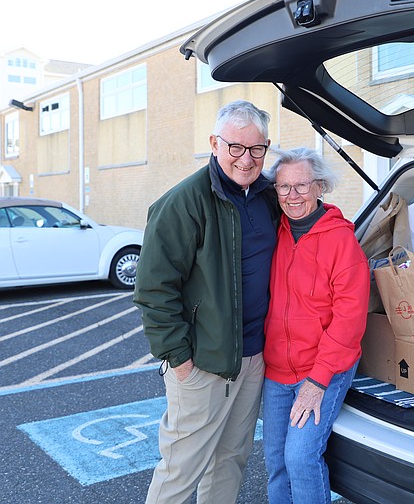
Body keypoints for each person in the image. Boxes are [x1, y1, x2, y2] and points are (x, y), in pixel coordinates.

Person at [133, 100, 279, 504]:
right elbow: (153, 289)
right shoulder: (183, 203)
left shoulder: (267, 196)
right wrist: (178, 358)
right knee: (182, 467)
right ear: (215, 143)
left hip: (252, 358)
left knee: (231, 459)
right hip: (202, 362)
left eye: (256, 149)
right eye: (236, 147)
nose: (246, 160)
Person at [262, 147, 369, 504]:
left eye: (301, 186)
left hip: (324, 369)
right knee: (276, 461)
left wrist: (318, 380)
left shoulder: (341, 241)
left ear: (320, 186)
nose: (292, 196)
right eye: (283, 187)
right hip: (277, 369)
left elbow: (349, 319)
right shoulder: (273, 234)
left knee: (300, 456)